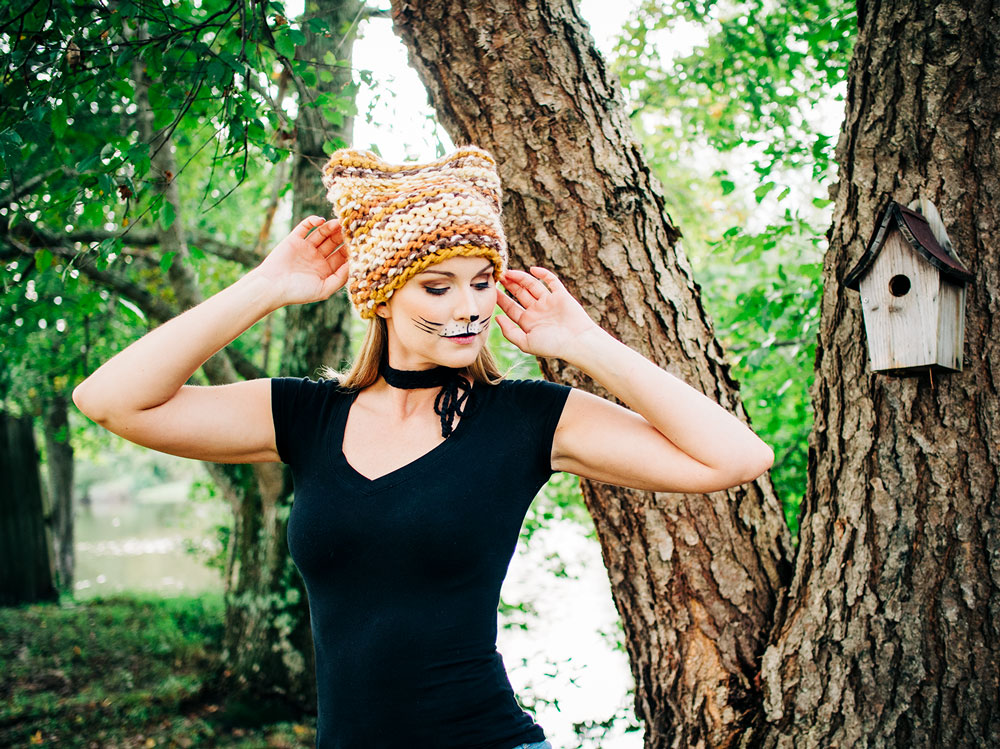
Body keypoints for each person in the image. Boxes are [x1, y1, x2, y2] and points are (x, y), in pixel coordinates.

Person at [73, 146, 773, 749]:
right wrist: (265, 287)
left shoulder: (526, 419)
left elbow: (735, 457)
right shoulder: (308, 415)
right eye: (437, 285)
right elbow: (111, 400)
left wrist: (585, 343)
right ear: (381, 294)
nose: (466, 306)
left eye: (480, 281)